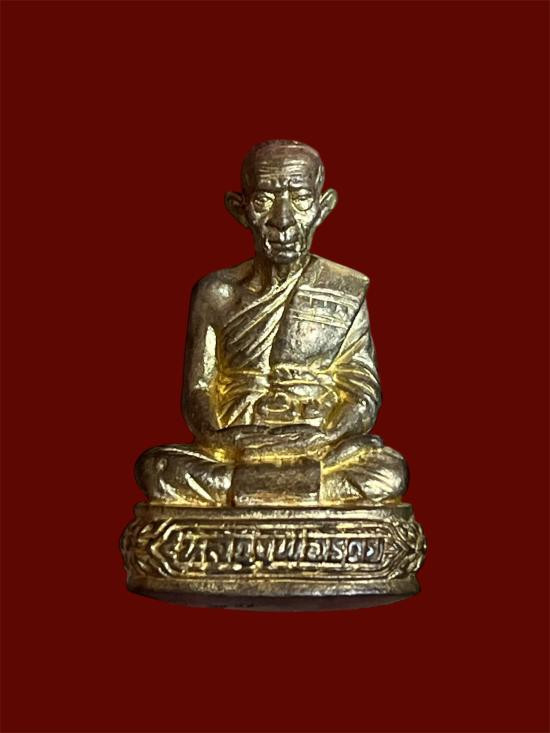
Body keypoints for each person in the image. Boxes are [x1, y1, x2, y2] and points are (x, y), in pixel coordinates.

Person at [136, 140, 407, 507]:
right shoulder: (216, 294)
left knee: (388, 471)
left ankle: (249, 491)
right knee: (158, 468)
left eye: (301, 199)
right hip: (237, 445)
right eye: (264, 200)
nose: (283, 220)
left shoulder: (344, 288)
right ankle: (303, 491)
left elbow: (362, 391)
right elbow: (199, 389)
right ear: (240, 210)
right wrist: (221, 438)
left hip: (316, 442)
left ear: (323, 207)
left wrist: (328, 435)